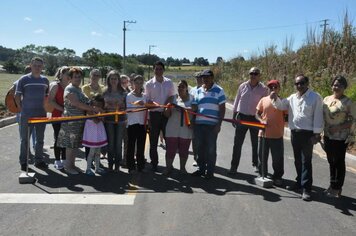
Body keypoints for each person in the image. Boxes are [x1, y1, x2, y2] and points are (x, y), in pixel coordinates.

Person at [270, 74, 324, 201]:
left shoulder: (315, 97)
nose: (299, 86)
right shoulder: (292, 97)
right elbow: (281, 106)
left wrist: (317, 134)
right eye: (297, 84)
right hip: (295, 133)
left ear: (307, 83)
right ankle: (299, 182)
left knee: (306, 161)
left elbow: (318, 117)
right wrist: (275, 97)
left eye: (302, 83)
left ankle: (306, 188)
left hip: (308, 134)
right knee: (297, 160)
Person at [57, 67, 101, 175]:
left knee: (75, 145)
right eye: (75, 77)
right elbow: (76, 103)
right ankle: (68, 167)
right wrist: (92, 109)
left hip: (80, 122)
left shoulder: (78, 89)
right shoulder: (69, 89)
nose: (78, 79)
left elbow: (88, 101)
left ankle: (72, 165)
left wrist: (98, 105)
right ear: (70, 78)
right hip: (71, 122)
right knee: (70, 145)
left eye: (79, 77)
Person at [229, 67, 268, 175]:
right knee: (237, 144)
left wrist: (263, 119)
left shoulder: (264, 89)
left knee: (255, 144)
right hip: (242, 117)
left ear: (259, 76)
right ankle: (233, 166)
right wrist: (234, 115)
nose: (253, 75)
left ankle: (255, 164)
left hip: (255, 119)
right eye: (251, 73)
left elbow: (265, 104)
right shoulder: (242, 86)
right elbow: (237, 100)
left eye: (256, 73)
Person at [15, 57, 49, 171]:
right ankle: (23, 162)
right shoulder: (23, 79)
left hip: (41, 115)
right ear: (31, 65)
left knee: (40, 140)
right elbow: (17, 96)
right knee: (25, 140)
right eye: (35, 65)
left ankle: (38, 160)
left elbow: (47, 98)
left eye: (40, 66)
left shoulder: (45, 80)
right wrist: (21, 110)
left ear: (42, 67)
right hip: (26, 115)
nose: (37, 68)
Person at [323, 75, 354, 198]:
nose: (337, 87)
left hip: (341, 137)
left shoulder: (348, 102)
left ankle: (337, 188)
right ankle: (332, 185)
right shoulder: (326, 99)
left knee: (339, 162)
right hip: (327, 136)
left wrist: (338, 128)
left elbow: (352, 121)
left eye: (340, 85)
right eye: (335, 85)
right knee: (331, 161)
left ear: (344, 87)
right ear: (332, 86)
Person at [191, 69, 226, 179]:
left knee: (211, 149)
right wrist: (192, 122)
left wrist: (219, 124)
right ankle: (201, 169)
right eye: (203, 77)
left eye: (207, 77)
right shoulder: (197, 91)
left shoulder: (219, 90)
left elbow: (222, 109)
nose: (205, 79)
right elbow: (194, 108)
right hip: (199, 124)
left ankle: (210, 172)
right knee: (200, 148)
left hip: (212, 125)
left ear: (212, 78)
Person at [255, 80, 286, 186]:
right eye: (271, 87)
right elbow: (257, 114)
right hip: (263, 134)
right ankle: (262, 174)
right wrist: (261, 120)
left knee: (277, 158)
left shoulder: (282, 101)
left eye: (275, 87)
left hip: (277, 134)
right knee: (262, 156)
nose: (273, 89)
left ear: (279, 89)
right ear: (268, 89)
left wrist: (282, 124)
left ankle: (277, 176)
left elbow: (286, 116)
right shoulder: (263, 100)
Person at [145, 61, 175, 171]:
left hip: (167, 115)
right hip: (154, 115)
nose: (158, 71)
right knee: (153, 141)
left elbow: (172, 96)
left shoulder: (169, 82)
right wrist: (152, 105)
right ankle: (154, 164)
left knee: (169, 141)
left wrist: (167, 106)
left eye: (160, 69)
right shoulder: (148, 84)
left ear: (163, 70)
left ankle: (169, 165)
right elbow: (147, 100)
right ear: (153, 70)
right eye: (156, 69)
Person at [164, 80, 194, 175]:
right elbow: (166, 114)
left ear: (186, 88)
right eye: (179, 86)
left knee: (184, 149)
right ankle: (168, 168)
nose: (180, 88)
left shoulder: (192, 98)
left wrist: (183, 109)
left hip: (186, 128)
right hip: (172, 128)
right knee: (170, 149)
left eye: (182, 86)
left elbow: (195, 109)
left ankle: (182, 169)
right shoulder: (172, 98)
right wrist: (168, 108)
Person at [103, 70, 127, 172]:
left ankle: (117, 164)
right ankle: (110, 163)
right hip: (109, 120)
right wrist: (106, 106)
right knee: (111, 143)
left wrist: (121, 106)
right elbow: (101, 106)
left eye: (115, 79)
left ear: (118, 80)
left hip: (121, 120)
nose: (113, 81)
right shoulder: (105, 92)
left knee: (118, 144)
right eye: (111, 79)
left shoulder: (124, 93)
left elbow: (127, 107)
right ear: (108, 80)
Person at [81, 69, 106, 161]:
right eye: (94, 75)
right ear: (90, 76)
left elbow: (104, 103)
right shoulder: (84, 88)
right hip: (89, 118)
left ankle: (97, 161)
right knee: (90, 139)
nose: (95, 77)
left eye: (98, 75)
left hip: (100, 118)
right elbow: (85, 102)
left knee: (98, 139)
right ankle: (89, 160)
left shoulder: (103, 88)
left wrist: (101, 115)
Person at [48, 66, 70, 170]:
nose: (68, 76)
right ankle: (57, 160)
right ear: (60, 75)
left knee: (66, 138)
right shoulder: (55, 86)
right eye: (66, 73)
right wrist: (62, 109)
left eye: (69, 74)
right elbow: (50, 101)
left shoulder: (70, 86)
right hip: (57, 116)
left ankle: (64, 158)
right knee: (58, 138)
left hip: (68, 117)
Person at [126, 75, 147, 173]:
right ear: (133, 83)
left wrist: (146, 104)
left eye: (140, 82)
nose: (138, 85)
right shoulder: (129, 96)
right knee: (131, 146)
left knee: (141, 146)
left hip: (142, 124)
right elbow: (128, 110)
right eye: (136, 83)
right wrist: (137, 104)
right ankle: (131, 166)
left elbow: (147, 108)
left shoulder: (145, 96)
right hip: (132, 123)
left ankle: (140, 165)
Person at [82, 94, 108, 175]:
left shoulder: (100, 110)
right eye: (96, 104)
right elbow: (96, 120)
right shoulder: (89, 110)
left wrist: (102, 113)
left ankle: (97, 168)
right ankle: (88, 169)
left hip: (98, 132)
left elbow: (102, 120)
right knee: (91, 152)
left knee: (98, 152)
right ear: (92, 102)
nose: (97, 106)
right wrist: (100, 114)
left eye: (100, 104)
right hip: (92, 134)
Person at [189, 71, 203, 166]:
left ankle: (203, 159)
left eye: (200, 77)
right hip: (193, 117)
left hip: (203, 117)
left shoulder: (206, 89)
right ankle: (196, 158)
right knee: (194, 139)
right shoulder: (192, 90)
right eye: (197, 77)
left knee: (203, 140)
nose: (198, 79)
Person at [120, 74, 131, 167]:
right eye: (121, 82)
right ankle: (118, 159)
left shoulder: (131, 92)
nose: (123, 83)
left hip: (128, 120)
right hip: (118, 120)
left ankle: (125, 159)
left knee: (127, 141)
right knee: (118, 141)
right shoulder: (116, 92)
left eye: (125, 82)